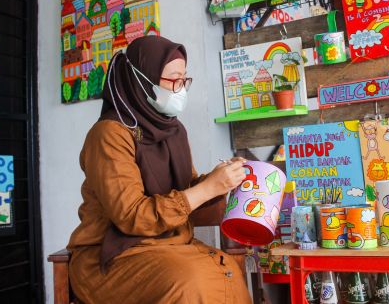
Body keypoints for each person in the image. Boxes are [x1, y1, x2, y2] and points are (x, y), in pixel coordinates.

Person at [67, 36, 252, 304]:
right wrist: (208, 188)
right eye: (173, 80)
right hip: (112, 256)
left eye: (184, 80)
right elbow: (131, 216)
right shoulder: (109, 134)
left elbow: (187, 198)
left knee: (229, 273)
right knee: (192, 283)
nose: (181, 89)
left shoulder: (173, 130)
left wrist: (226, 186)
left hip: (171, 246)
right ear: (142, 80)